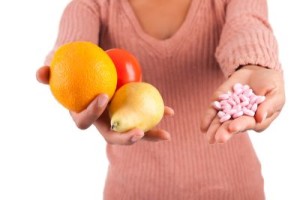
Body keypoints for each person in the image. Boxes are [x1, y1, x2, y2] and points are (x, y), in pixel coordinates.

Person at [36, 0, 285, 199]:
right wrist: (64, 75)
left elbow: (248, 27)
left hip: (233, 189)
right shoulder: (92, 5)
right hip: (133, 190)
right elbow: (72, 53)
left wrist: (255, 65)